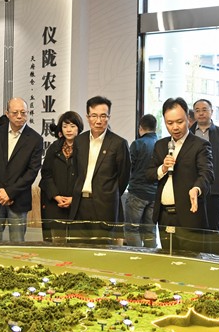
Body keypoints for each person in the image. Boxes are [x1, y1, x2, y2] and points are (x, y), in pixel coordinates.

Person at [147, 97, 214, 253]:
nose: (175, 127)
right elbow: (149, 174)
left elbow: (207, 173)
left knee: (190, 262)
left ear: (188, 119)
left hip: (189, 216)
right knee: (167, 260)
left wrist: (196, 189)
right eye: (170, 123)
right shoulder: (160, 145)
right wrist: (163, 168)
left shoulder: (200, 145)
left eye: (180, 122)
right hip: (164, 216)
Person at [0, 98, 44, 242]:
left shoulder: (35, 139)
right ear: (7, 114)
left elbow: (32, 171)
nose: (19, 116)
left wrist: (10, 193)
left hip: (19, 200)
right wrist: (0, 191)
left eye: (23, 112)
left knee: (17, 244)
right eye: (15, 113)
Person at [70, 96, 131, 243]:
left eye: (103, 116)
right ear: (87, 117)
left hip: (104, 206)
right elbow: (77, 171)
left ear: (109, 117)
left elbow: (123, 177)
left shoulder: (118, 143)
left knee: (101, 249)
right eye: (94, 116)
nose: (98, 121)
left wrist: (109, 193)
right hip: (80, 204)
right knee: (78, 248)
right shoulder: (79, 141)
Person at [191, 99, 219, 251]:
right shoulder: (188, 133)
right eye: (197, 110)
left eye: (204, 110)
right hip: (192, 187)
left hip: (215, 188)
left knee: (215, 226)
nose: (201, 113)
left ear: (211, 112)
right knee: (195, 226)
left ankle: (215, 257)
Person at [39, 111, 83, 242]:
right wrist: (56, 196)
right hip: (55, 203)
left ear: (79, 128)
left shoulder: (84, 148)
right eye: (65, 126)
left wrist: (74, 198)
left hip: (77, 202)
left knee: (76, 242)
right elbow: (46, 174)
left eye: (72, 126)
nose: (68, 130)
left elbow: (86, 176)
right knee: (57, 242)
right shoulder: (54, 147)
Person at [125, 114, 158, 247]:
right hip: (155, 194)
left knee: (132, 229)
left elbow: (129, 167)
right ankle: (151, 257)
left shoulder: (137, 144)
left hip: (137, 193)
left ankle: (137, 257)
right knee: (150, 231)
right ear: (155, 128)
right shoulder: (161, 144)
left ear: (140, 128)